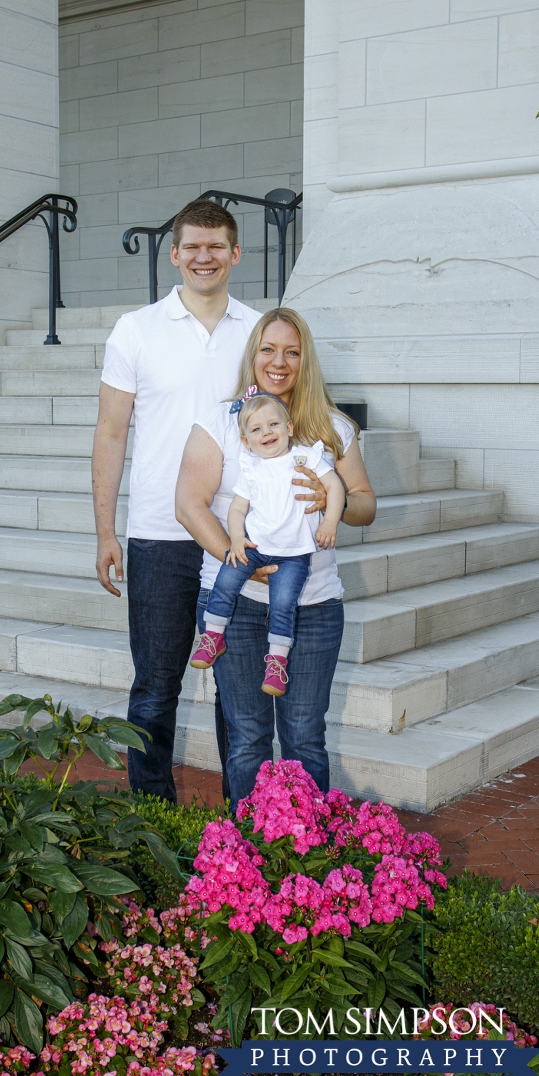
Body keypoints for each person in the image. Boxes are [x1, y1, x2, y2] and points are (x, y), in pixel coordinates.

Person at [91, 200, 323, 803]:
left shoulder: (258, 333)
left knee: (239, 697)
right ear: (173, 253)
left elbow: (295, 418)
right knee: (155, 687)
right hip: (159, 537)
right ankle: (151, 820)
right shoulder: (135, 330)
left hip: (239, 539)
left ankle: (238, 828)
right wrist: (105, 532)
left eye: (216, 245)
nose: (204, 256)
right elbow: (111, 433)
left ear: (235, 253)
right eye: (192, 245)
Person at [175, 308, 377, 813]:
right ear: (253, 353)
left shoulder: (331, 428)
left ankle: (308, 861)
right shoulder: (223, 422)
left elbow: (366, 503)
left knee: (305, 738)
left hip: (313, 605)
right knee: (246, 738)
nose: (279, 362)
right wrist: (237, 557)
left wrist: (335, 503)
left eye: (292, 351)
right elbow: (188, 504)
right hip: (237, 604)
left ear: (305, 358)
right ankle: (246, 859)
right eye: (268, 349)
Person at [190, 390, 345, 698]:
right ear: (246, 441)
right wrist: (236, 539)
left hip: (294, 555)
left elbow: (334, 486)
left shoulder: (304, 457)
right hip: (255, 548)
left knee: (284, 603)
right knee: (225, 580)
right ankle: (213, 637)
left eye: (273, 424)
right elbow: (237, 509)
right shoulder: (251, 468)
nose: (266, 433)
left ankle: (277, 662)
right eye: (256, 430)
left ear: (288, 427)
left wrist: (329, 522)